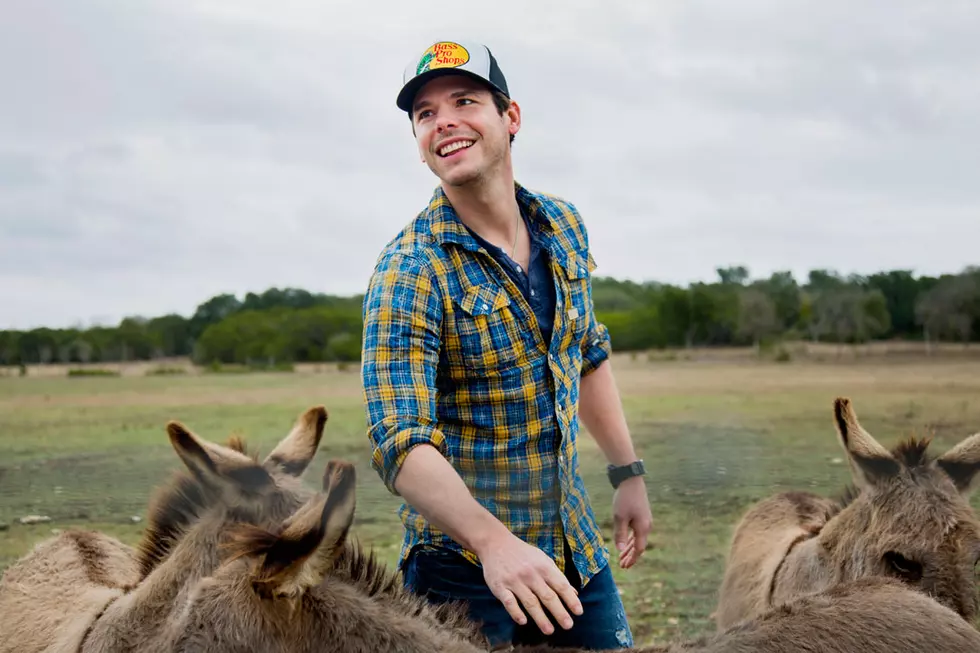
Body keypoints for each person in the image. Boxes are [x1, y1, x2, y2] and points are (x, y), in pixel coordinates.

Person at [360, 39, 653, 650]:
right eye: (425, 114)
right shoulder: (409, 269)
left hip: (572, 545)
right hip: (460, 570)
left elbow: (586, 353)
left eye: (464, 101)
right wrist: (493, 543)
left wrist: (627, 472)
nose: (444, 122)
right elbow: (400, 443)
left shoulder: (562, 225)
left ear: (510, 118)